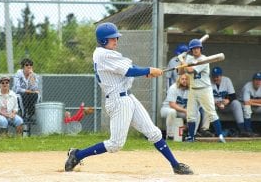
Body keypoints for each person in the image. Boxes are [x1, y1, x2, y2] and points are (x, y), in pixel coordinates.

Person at [64, 22, 193, 175]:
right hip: (118, 102)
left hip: (128, 97)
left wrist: (146, 72)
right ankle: (77, 155)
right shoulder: (103, 54)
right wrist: (149, 70)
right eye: (112, 39)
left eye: (116, 38)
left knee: (154, 133)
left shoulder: (109, 53)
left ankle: (175, 165)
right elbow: (129, 71)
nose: (116, 41)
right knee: (115, 144)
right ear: (103, 40)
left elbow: (129, 68)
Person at [178, 38, 226, 143]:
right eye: (193, 48)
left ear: (200, 48)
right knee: (191, 114)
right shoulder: (189, 59)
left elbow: (190, 70)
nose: (195, 50)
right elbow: (180, 72)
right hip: (193, 89)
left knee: (211, 113)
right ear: (191, 50)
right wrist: (182, 59)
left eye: (197, 48)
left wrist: (182, 61)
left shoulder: (204, 59)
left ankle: (221, 136)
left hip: (205, 89)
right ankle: (191, 137)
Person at [161, 74, 212, 140]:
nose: (184, 81)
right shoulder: (173, 88)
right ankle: (170, 136)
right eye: (182, 79)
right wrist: (185, 111)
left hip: (181, 111)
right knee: (172, 112)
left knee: (197, 114)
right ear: (179, 80)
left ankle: (192, 135)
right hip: (167, 108)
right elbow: (172, 105)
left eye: (186, 79)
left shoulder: (192, 89)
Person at [211, 67, 254, 137]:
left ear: (221, 76)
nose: (215, 78)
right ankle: (214, 130)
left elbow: (233, 96)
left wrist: (228, 100)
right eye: (213, 76)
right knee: (208, 106)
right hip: (214, 105)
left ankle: (242, 130)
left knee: (236, 103)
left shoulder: (227, 80)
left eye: (217, 76)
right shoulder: (208, 82)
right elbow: (205, 97)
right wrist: (215, 103)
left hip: (225, 105)